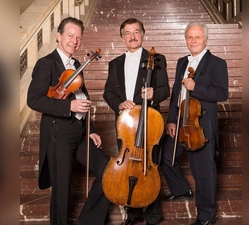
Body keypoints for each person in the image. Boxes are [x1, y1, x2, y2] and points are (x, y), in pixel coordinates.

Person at [27, 17, 110, 225]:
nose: (74, 41)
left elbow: (82, 98)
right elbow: (34, 99)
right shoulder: (46, 64)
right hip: (59, 134)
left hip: (80, 133)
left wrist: (90, 128)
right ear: (59, 36)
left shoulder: (77, 64)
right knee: (62, 190)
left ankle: (88, 221)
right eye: (70, 35)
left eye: (78, 37)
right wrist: (68, 107)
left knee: (108, 172)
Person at [160, 22, 229, 225]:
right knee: (164, 156)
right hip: (181, 122)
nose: (193, 41)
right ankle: (182, 189)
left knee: (203, 172)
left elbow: (222, 93)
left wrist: (195, 87)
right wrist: (171, 120)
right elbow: (176, 94)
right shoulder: (182, 62)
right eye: (190, 37)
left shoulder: (217, 63)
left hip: (201, 125)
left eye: (197, 37)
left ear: (206, 39)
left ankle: (206, 216)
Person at [103, 18, 170, 225]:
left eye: (136, 32)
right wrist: (120, 104)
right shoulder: (114, 63)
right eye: (128, 33)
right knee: (127, 169)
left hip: (149, 124)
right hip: (126, 125)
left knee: (151, 168)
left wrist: (152, 94)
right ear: (122, 37)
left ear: (143, 33)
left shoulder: (157, 59)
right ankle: (133, 214)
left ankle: (153, 215)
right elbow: (107, 92)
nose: (132, 37)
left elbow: (165, 89)